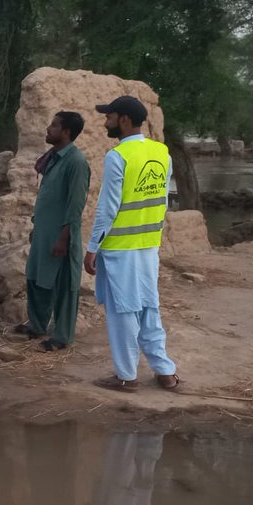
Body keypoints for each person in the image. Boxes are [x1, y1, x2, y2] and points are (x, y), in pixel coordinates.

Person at [84, 96, 179, 392]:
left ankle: (126, 376)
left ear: (124, 119)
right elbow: (162, 200)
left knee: (122, 312)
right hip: (149, 246)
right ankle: (165, 372)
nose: (105, 121)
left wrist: (92, 248)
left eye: (109, 116)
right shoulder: (162, 152)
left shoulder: (118, 156)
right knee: (149, 307)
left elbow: (108, 208)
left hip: (120, 249)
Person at [17, 112, 91, 351]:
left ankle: (62, 337)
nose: (48, 128)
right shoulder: (53, 158)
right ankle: (37, 325)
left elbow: (75, 205)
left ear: (67, 132)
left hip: (61, 237)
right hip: (44, 232)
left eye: (54, 125)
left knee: (63, 287)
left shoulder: (76, 162)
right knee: (36, 279)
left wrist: (63, 238)